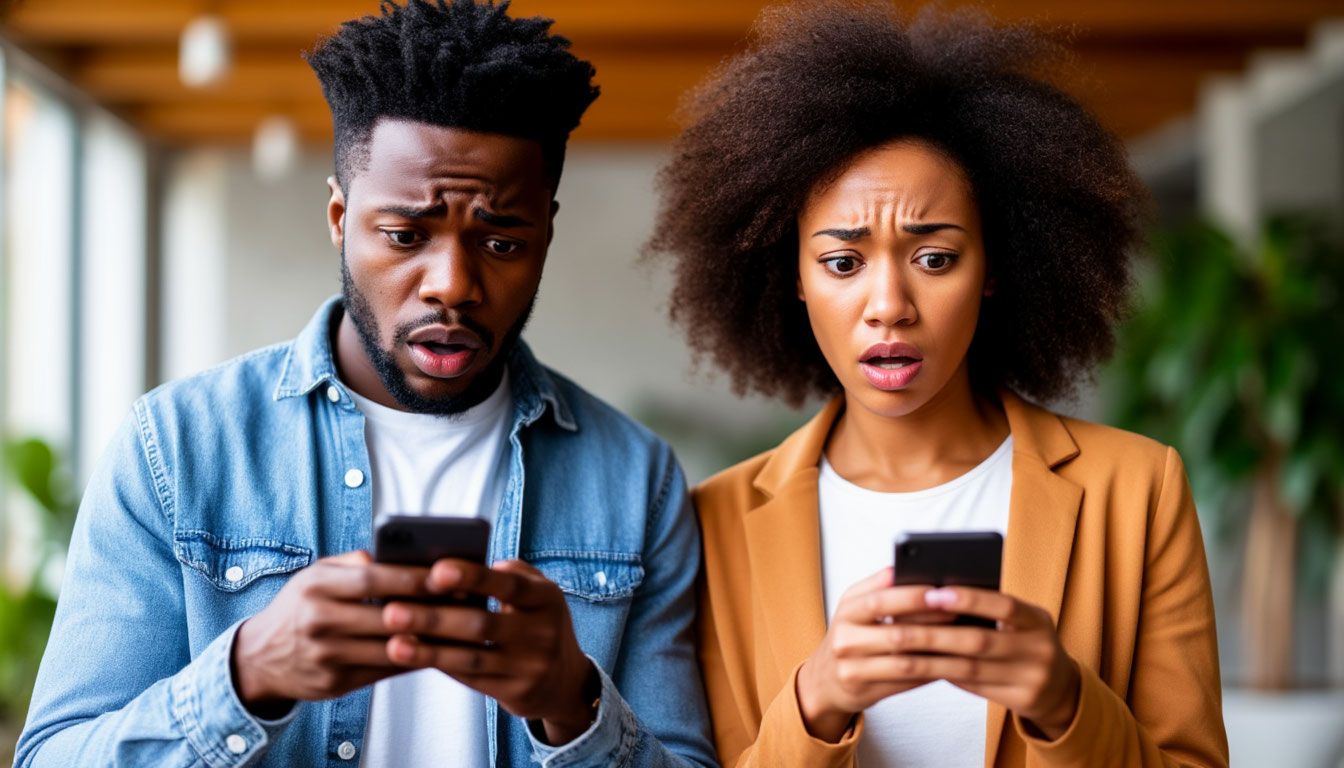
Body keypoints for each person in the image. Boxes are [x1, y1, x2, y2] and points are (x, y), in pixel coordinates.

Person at [16, 1, 716, 766]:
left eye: (502, 240)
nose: (452, 284)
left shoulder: (636, 482)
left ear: (546, 231)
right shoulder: (178, 449)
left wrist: (571, 706)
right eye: (406, 235)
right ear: (340, 218)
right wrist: (247, 676)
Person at [648, 3, 1228, 767]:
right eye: (843, 263)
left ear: (994, 268)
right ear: (790, 275)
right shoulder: (713, 523)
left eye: (935, 257)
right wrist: (815, 702)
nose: (888, 305)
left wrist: (1064, 700)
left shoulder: (1137, 490)